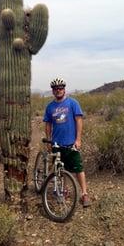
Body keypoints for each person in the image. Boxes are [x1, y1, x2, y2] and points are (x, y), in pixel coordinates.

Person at [43, 77, 91, 207]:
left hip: (71, 143)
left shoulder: (72, 103)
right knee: (61, 168)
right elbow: (48, 124)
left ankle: (84, 194)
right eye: (55, 89)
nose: (58, 90)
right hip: (56, 144)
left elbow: (79, 121)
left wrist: (78, 139)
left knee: (78, 168)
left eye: (60, 88)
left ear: (64, 89)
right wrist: (48, 141)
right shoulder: (50, 107)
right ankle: (64, 191)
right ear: (52, 91)